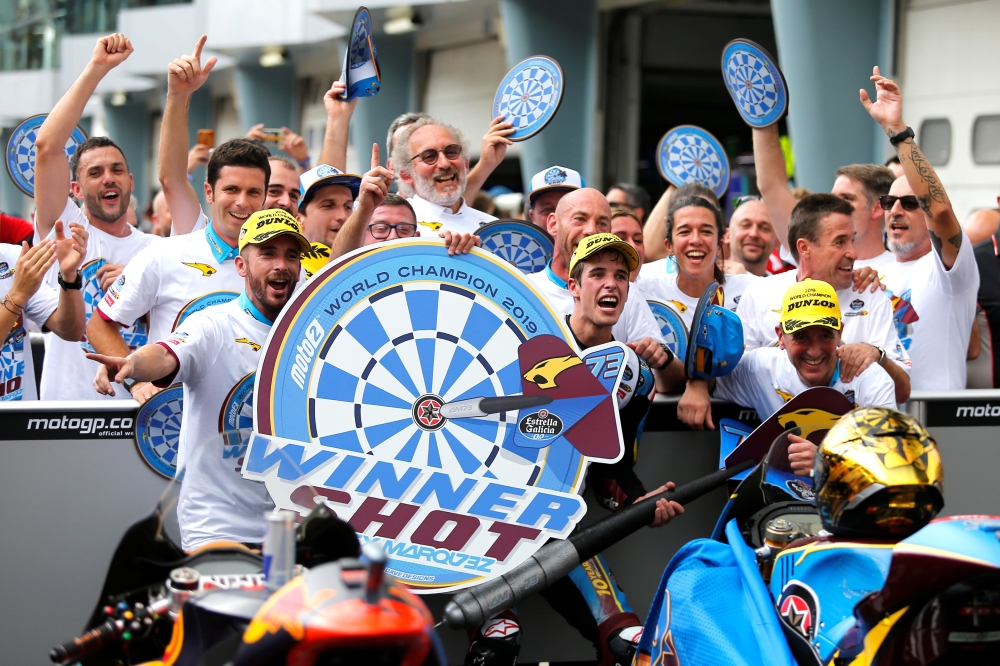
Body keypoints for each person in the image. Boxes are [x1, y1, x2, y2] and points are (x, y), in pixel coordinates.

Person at [467, 233, 684, 666]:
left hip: (559, 526)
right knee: (496, 645)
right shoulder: (526, 341)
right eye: (598, 274)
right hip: (485, 518)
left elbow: (612, 468)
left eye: (621, 276)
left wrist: (640, 501)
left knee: (629, 645)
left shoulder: (634, 375)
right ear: (573, 285)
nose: (611, 285)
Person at [88, 209, 309, 550]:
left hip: (292, 526)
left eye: (291, 255)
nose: (281, 264)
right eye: (267, 253)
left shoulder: (311, 332)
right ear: (241, 266)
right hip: (218, 525)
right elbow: (164, 354)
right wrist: (132, 364)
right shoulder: (213, 325)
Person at [88, 38, 272, 403]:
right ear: (208, 192)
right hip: (170, 428)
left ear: (266, 196)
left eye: (254, 192)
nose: (242, 202)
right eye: (231, 190)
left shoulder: (279, 267)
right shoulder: (170, 252)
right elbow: (100, 321)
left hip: (251, 425)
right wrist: (136, 380)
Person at [32, 32, 154, 401]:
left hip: (138, 410)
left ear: (131, 181)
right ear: (75, 190)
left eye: (117, 169)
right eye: (95, 172)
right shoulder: (64, 228)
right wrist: (97, 68)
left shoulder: (157, 250)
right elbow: (47, 147)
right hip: (66, 410)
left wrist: (137, 292)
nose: (108, 178)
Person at [721, 194, 910, 427]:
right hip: (780, 446)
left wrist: (877, 355)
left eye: (852, 240)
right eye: (840, 242)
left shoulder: (871, 295)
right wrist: (697, 386)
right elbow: (734, 376)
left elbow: (902, 392)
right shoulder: (759, 294)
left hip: (853, 449)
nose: (853, 253)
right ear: (804, 248)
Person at [862, 66, 979, 391]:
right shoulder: (865, 272)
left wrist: (898, 131)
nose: (896, 210)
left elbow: (940, 210)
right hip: (871, 432)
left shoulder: (949, 269)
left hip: (931, 429)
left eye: (911, 203)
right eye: (889, 202)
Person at [715, 279, 896, 474]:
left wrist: (828, 462)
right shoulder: (760, 367)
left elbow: (892, 458)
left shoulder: (871, 379)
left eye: (825, 335)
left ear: (839, 333)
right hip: (782, 497)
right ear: (780, 337)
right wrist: (697, 385)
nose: (814, 351)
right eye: (801, 336)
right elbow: (712, 380)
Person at [525, 189, 677, 390]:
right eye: (580, 219)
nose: (591, 231)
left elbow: (664, 382)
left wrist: (662, 360)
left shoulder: (627, 293)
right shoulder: (524, 291)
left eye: (602, 223)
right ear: (553, 224)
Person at [754, 122, 896, 273]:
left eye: (847, 198)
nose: (834, 205)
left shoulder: (905, 272)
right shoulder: (812, 254)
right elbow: (772, 186)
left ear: (877, 208)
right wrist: (762, 119)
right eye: (832, 197)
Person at [326, 144, 480, 259]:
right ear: (362, 235)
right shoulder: (349, 280)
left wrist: (459, 254)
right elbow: (337, 266)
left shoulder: (429, 275)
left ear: (417, 236)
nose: (393, 237)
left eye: (404, 230)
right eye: (381, 228)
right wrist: (364, 209)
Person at [0, 222, 88, 400]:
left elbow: (71, 330)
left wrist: (69, 277)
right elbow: (19, 294)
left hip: (19, 420)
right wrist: (17, 296)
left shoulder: (13, 258)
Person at [391, 117, 497, 233]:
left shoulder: (494, 228)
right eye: (429, 157)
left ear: (466, 164)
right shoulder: (396, 228)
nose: (445, 164)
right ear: (406, 175)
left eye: (451, 152)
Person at [297, 163, 362, 276]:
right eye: (328, 205)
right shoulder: (289, 275)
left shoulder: (367, 266)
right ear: (298, 219)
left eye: (348, 207)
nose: (343, 216)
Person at [727, 196, 778, 277]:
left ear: (777, 242)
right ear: (727, 235)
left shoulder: (783, 288)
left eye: (764, 228)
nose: (754, 234)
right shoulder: (706, 284)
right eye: (745, 225)